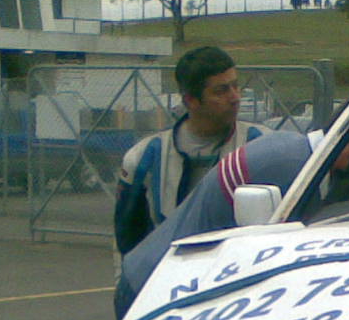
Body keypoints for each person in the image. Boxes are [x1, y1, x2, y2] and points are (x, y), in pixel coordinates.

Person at [115, 131, 314, 319]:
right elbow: (128, 225)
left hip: (199, 280)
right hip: (156, 283)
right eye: (220, 94)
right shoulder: (147, 152)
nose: (234, 105)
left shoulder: (259, 139)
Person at [113, 46, 265, 257]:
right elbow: (128, 241)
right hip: (173, 268)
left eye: (235, 86)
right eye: (221, 91)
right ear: (190, 100)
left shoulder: (261, 145)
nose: (235, 97)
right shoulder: (144, 157)